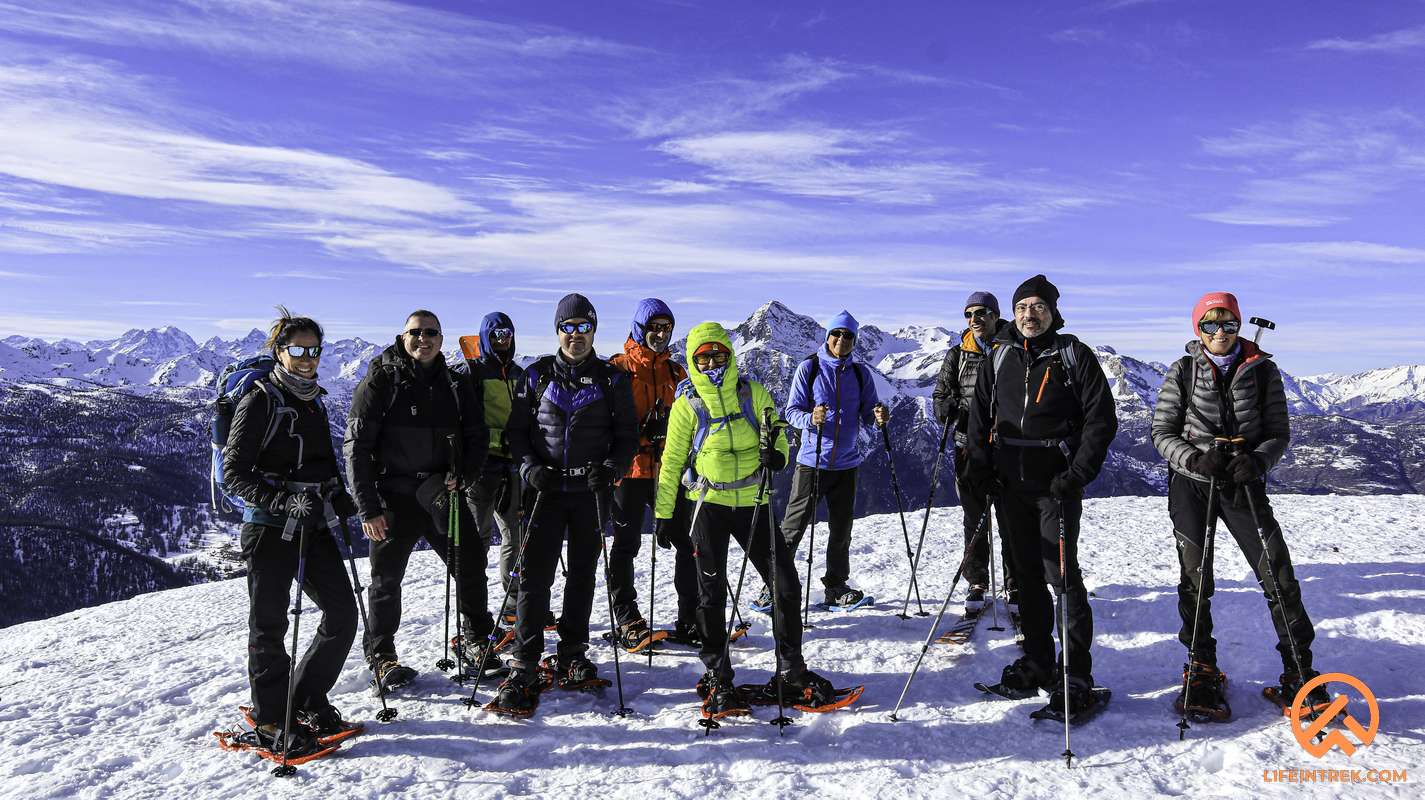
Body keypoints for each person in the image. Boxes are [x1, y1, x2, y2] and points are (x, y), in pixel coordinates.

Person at [1151, 292, 1331, 719]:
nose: (1219, 332)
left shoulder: (1263, 370)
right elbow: (1162, 432)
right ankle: (1201, 667)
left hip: (1243, 484)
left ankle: (1299, 672)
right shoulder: (1183, 370)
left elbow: (1278, 432)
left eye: (1228, 324)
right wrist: (1195, 458)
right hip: (1193, 484)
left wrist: (1259, 459)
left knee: (1277, 572)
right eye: (1210, 325)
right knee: (1196, 576)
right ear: (1198, 330)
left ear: (1237, 326)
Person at [655, 322, 839, 717]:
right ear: (692, 360)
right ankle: (718, 675)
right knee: (711, 594)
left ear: (729, 354)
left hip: (753, 501)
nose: (711, 363)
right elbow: (671, 462)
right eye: (702, 357)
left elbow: (777, 434)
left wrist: (779, 455)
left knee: (785, 583)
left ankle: (791, 668)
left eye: (718, 354)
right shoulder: (688, 403)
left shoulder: (752, 392)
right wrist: (665, 514)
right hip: (707, 505)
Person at [965, 275, 1118, 715]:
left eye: (1038, 307)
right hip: (1010, 484)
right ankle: (1038, 660)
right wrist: (981, 467)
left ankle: (1076, 674)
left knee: (1062, 577)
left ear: (1052, 312)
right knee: (1026, 577)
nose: (1030, 315)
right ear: (1013, 315)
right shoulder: (1000, 356)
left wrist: (1076, 474)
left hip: (1056, 485)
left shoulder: (1073, 354)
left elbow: (1100, 420)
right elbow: (978, 417)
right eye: (1022, 308)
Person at [223, 307, 360, 759]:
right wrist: (280, 501)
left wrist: (340, 496)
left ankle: (304, 699)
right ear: (279, 351)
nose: (307, 357)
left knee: (342, 614)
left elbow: (323, 462)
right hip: (268, 529)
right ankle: (268, 720)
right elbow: (234, 473)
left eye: (314, 350)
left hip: (312, 523)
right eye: (298, 349)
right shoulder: (260, 399)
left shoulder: (313, 399)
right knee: (269, 626)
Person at [493, 293, 639, 714]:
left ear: (594, 330)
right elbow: (517, 433)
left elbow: (627, 436)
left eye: (583, 327)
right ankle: (525, 661)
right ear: (558, 331)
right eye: (568, 327)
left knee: (581, 576)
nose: (576, 335)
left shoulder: (612, 379)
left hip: (590, 492)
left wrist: (611, 469)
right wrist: (528, 468)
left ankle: (573, 651)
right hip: (545, 492)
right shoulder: (536, 375)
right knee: (535, 578)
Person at [344, 310, 492, 688]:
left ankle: (476, 641)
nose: (423, 339)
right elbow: (356, 447)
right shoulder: (382, 380)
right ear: (402, 336)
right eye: (415, 332)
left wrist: (467, 475)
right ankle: (382, 656)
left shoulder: (456, 385)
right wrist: (368, 507)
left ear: (441, 340)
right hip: (394, 498)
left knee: (471, 563)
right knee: (386, 580)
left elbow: (477, 438)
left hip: (445, 493)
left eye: (431, 333)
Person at [768, 310, 887, 610]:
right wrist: (811, 418)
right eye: (837, 333)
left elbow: (868, 413)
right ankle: (773, 584)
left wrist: (878, 416)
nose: (841, 340)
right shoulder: (809, 368)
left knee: (841, 530)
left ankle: (836, 587)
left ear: (854, 340)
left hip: (847, 465)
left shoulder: (861, 374)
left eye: (848, 336)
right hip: (812, 462)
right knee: (793, 527)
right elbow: (791, 412)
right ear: (827, 336)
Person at [606, 298, 698, 651]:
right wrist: (642, 432)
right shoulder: (617, 370)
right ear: (639, 328)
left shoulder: (677, 373)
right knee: (626, 545)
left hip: (668, 470)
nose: (660, 334)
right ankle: (627, 617)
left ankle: (690, 617)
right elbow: (603, 420)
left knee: (686, 542)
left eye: (666, 328)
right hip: (629, 471)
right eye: (654, 327)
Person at [932, 291, 1017, 609]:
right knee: (975, 517)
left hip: (1009, 447)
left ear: (995, 315)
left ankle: (1015, 581)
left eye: (980, 312)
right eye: (968, 314)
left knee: (1011, 518)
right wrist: (949, 409)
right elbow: (939, 397)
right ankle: (978, 580)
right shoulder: (957, 355)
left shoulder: (1014, 349)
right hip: (968, 447)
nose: (974, 319)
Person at [463, 312, 528, 628]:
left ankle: (513, 604)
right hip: (481, 468)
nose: (503, 340)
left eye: (508, 334)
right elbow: (468, 424)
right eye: (497, 334)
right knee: (477, 542)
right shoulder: (473, 373)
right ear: (486, 336)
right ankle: (475, 614)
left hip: (513, 467)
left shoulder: (518, 373)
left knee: (514, 537)